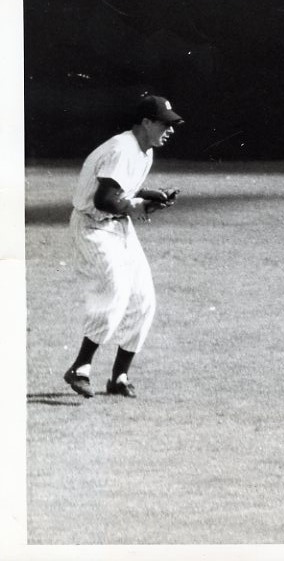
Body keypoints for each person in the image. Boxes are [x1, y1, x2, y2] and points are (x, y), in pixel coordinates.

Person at [62, 94, 184, 399]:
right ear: (146, 122)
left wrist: (151, 196)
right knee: (115, 290)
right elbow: (104, 200)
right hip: (93, 227)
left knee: (144, 299)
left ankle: (119, 377)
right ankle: (80, 368)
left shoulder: (143, 151)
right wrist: (136, 207)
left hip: (117, 227)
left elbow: (122, 188)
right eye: (164, 124)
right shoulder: (122, 148)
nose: (170, 129)